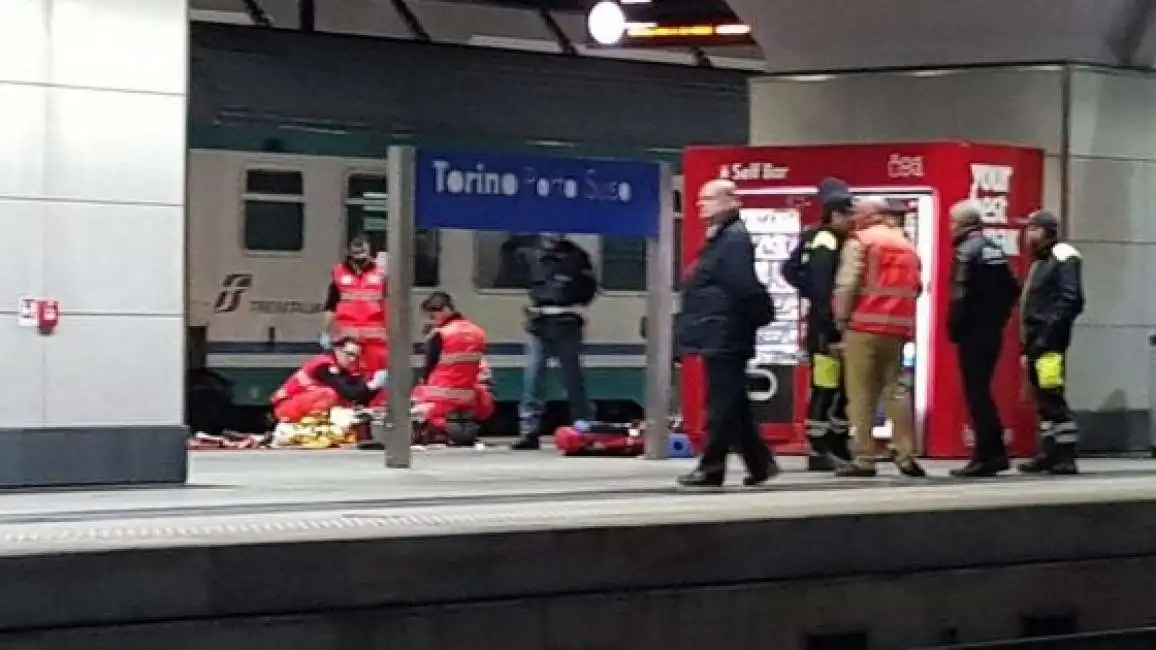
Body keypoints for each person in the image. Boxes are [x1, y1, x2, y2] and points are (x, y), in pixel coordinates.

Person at [675, 179, 778, 488]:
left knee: (721, 403)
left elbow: (742, 284)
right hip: (719, 330)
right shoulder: (722, 237)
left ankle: (712, 466)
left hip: (726, 333)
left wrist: (760, 314)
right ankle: (759, 463)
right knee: (733, 402)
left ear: (730, 201)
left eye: (707, 198)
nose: (699, 204)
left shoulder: (733, 240)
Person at [833, 197, 927, 478]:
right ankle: (905, 453)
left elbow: (847, 284)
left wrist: (840, 318)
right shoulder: (906, 244)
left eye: (857, 212)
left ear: (870, 214)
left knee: (861, 393)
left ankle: (864, 456)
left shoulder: (860, 242)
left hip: (863, 326)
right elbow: (917, 286)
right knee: (896, 390)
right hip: (897, 329)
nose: (853, 217)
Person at [783, 177, 855, 471]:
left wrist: (807, 289)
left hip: (820, 322)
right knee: (827, 387)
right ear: (835, 214)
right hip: (826, 329)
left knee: (837, 386)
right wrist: (833, 330)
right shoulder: (828, 241)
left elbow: (789, 269)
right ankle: (819, 448)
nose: (852, 221)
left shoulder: (813, 235)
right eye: (848, 215)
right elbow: (826, 291)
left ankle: (835, 443)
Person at [946, 201, 1021, 477]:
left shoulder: (966, 252)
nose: (950, 228)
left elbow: (959, 295)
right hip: (992, 331)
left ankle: (986, 454)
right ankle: (996, 452)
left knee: (977, 394)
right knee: (984, 391)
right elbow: (1013, 288)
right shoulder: (994, 249)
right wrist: (998, 320)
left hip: (973, 332)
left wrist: (954, 327)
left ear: (962, 225)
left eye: (952, 223)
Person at [511, 233, 599, 450]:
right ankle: (529, 432)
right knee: (533, 378)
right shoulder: (529, 254)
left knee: (572, 379)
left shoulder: (576, 256)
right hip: (539, 322)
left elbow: (589, 289)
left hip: (566, 321)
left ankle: (584, 427)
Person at [1018, 210, 1085, 475]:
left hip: (1050, 342)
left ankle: (1065, 456)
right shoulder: (1041, 260)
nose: (1027, 235)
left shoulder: (1063, 256)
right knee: (1041, 397)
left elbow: (1072, 299)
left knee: (1051, 394)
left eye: (1033, 229)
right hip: (1037, 340)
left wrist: (1048, 334)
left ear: (1046, 232)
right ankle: (1048, 452)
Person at [411, 292, 495, 443]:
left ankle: (436, 430)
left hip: (440, 399)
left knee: (417, 394)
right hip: (469, 399)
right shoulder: (477, 332)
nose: (431, 321)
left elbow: (428, 367)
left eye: (432, 316)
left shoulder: (440, 334)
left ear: (444, 310)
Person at [270, 337, 387, 423]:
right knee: (330, 394)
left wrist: (374, 387)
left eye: (356, 356)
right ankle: (314, 424)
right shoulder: (323, 366)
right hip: (285, 407)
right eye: (349, 354)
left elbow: (358, 395)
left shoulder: (341, 368)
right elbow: (348, 393)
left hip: (299, 404)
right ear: (337, 350)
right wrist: (371, 385)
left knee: (344, 401)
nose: (352, 359)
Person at [323, 235, 389, 380]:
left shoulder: (381, 274)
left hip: (375, 343)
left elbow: (389, 305)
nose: (360, 259)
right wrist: (326, 332)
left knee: (374, 382)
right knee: (348, 379)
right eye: (356, 254)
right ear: (349, 252)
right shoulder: (339, 273)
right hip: (348, 340)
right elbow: (331, 305)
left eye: (363, 254)